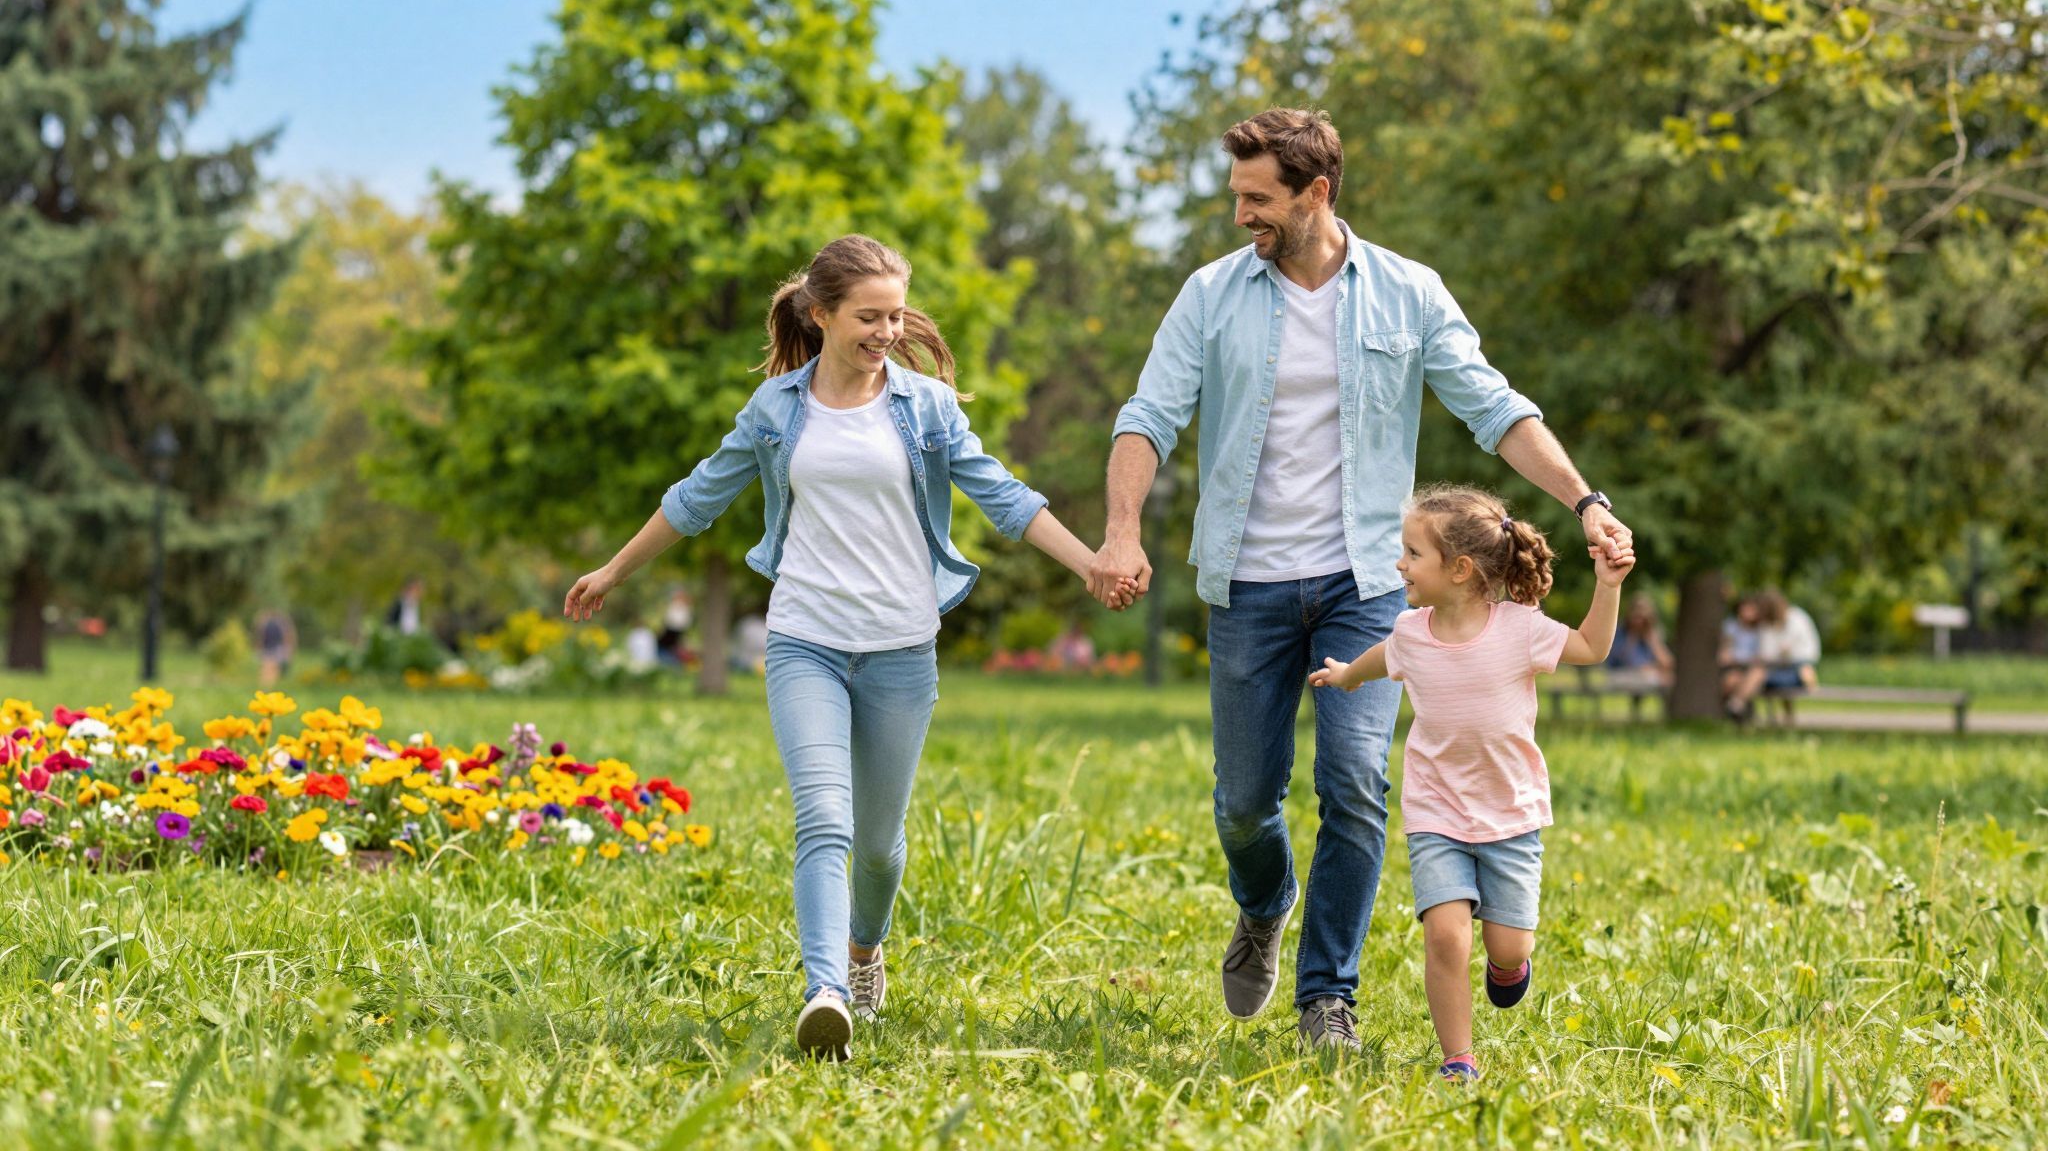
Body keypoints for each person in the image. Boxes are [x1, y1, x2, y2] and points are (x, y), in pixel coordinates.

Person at [1088, 107, 1633, 1052]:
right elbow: (1148, 416)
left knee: (1354, 782)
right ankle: (1266, 901)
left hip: (1368, 582)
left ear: (1317, 193)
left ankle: (1326, 998)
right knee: (1245, 803)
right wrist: (1121, 531)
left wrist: (1585, 500)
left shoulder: (1408, 292)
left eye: (1259, 199)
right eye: (1236, 196)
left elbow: (1494, 409)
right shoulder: (1210, 295)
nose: (1240, 216)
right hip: (1248, 582)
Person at [563, 235, 1131, 1062]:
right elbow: (697, 497)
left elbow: (1005, 498)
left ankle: (865, 952)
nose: (887, 332)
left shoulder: (927, 408)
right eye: (869, 317)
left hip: (901, 646)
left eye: (896, 316)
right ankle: (825, 991)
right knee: (823, 820)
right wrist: (614, 569)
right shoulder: (776, 410)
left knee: (877, 846)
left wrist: (1091, 564)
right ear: (821, 314)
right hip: (806, 641)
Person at [1309, 485, 1633, 1081]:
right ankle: (1458, 1058)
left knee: (1508, 947)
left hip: (1511, 814)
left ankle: (1508, 967)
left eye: (1413, 554)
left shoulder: (1521, 628)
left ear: (1459, 569)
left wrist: (1607, 586)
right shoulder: (1411, 631)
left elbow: (1590, 646)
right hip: (1436, 812)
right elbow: (1383, 657)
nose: (1400, 564)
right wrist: (1348, 675)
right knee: (1446, 938)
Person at [1727, 588, 1821, 723]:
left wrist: (1783, 655)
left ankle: (1736, 705)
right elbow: (1767, 654)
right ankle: (1741, 710)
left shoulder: (1797, 619)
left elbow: (1808, 653)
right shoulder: (1767, 626)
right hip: (1774, 670)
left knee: (1757, 674)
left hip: (1796, 670)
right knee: (1737, 678)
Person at [1605, 591, 1672, 692]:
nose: (1639, 621)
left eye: (1643, 618)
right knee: (1654, 678)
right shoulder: (1620, 632)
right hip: (1619, 674)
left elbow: (1667, 663)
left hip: (1645, 675)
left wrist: (1651, 640)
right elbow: (1623, 660)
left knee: (1669, 678)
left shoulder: (1651, 634)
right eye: (1637, 616)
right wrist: (1633, 635)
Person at [255, 608, 296, 687]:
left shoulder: (265, 624)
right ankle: (270, 684)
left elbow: (261, 636)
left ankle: (265, 684)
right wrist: (287, 649)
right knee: (274, 667)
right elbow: (285, 637)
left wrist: (259, 646)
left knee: (266, 666)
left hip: (267, 647)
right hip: (277, 647)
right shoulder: (281, 624)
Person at [656, 585, 694, 666]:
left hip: (675, 632)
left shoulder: (685, 608)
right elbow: (668, 620)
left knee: (673, 650)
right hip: (670, 632)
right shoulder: (674, 606)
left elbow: (681, 622)